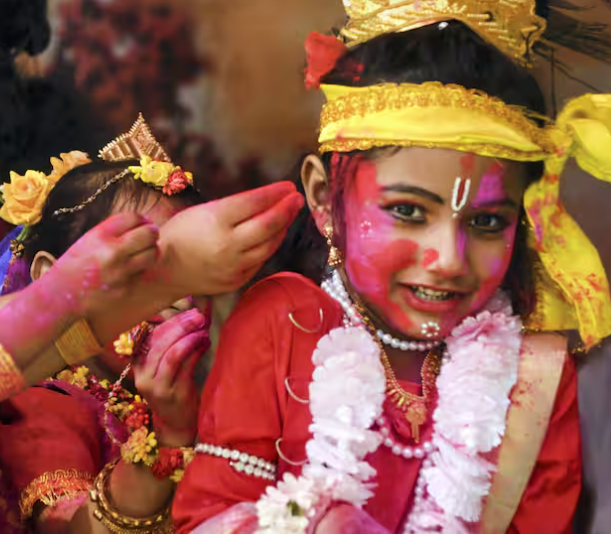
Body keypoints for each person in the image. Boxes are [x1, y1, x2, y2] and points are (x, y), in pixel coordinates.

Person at [172, 1, 611, 533]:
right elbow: (208, 517)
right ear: (323, 198)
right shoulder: (281, 323)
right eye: (408, 211)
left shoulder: (535, 378)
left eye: (487, 222)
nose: (448, 260)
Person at [0, 116, 304, 533]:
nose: (182, 298)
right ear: (50, 277)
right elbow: (67, 527)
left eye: (198, 277)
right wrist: (168, 435)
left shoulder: (190, 398)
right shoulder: (50, 402)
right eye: (145, 266)